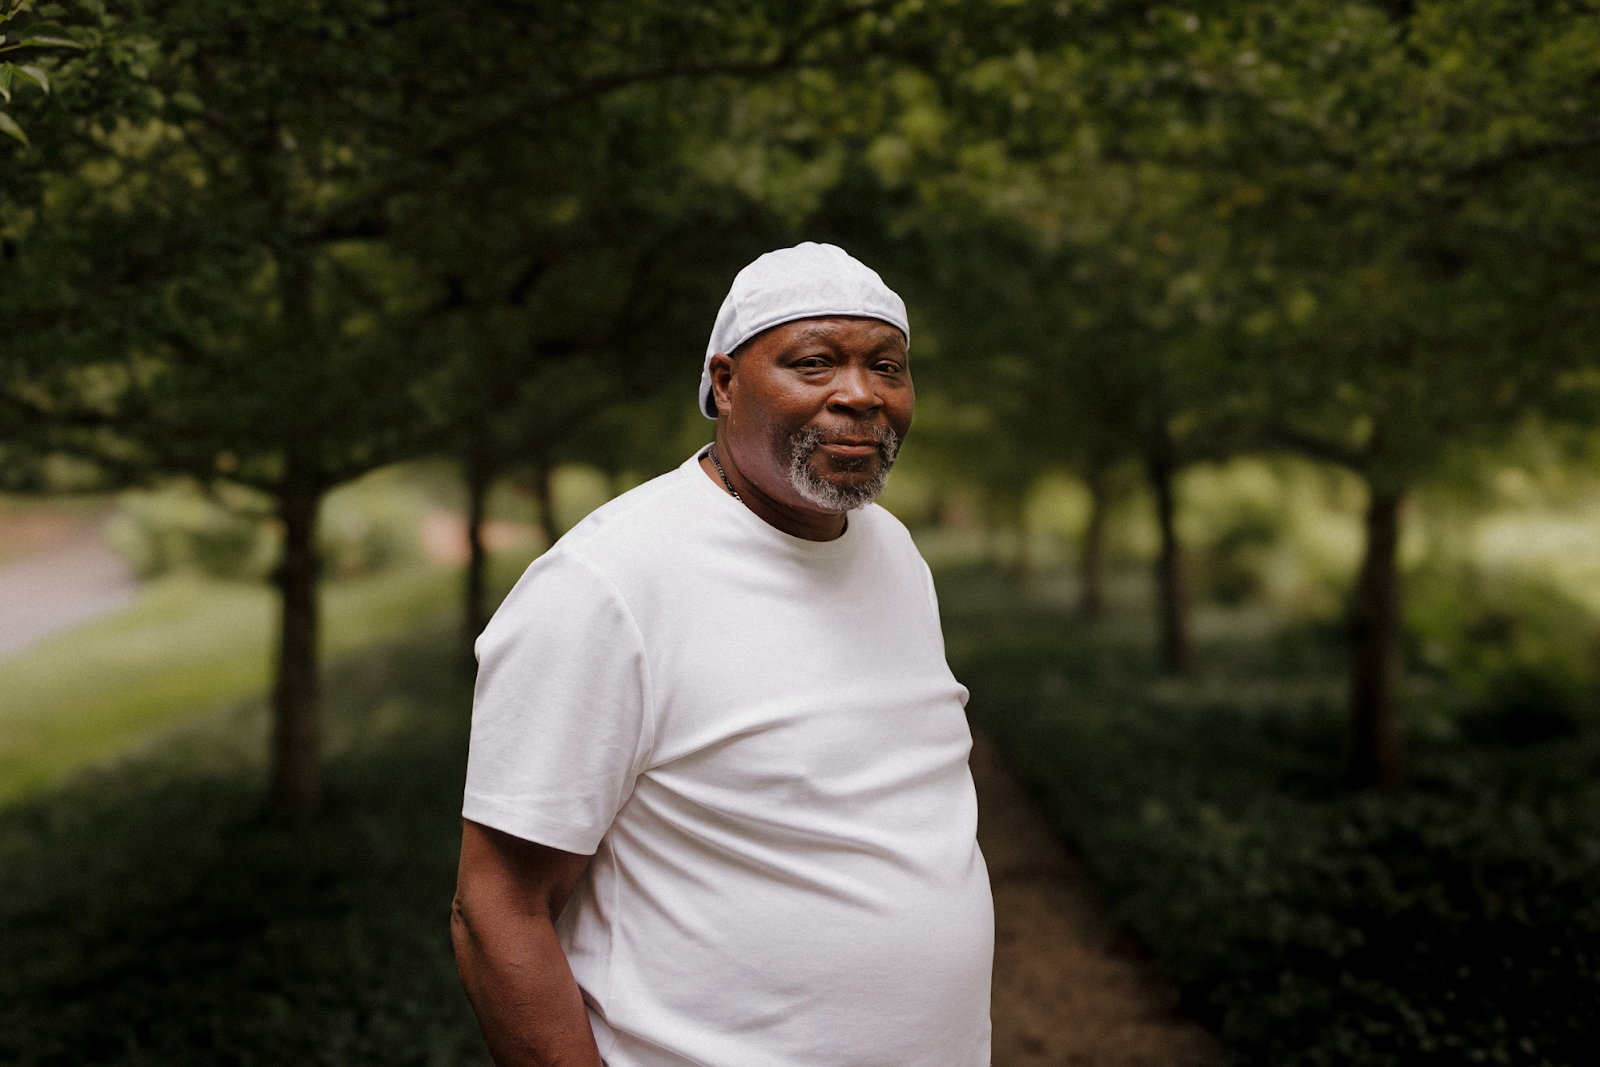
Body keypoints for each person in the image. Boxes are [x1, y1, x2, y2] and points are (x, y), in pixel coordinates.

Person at [452, 242, 993, 1067]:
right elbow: (496, 910)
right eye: (814, 362)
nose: (859, 393)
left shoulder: (894, 551)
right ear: (726, 382)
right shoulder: (610, 583)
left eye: (887, 365)